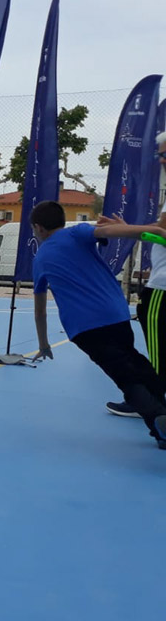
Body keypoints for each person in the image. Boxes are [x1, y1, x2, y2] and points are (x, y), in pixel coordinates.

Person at [30, 201, 166, 449]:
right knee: (135, 362)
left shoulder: (40, 259)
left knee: (125, 376)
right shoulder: (78, 232)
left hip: (85, 328)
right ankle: (161, 413)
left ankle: (159, 419)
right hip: (116, 315)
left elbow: (39, 311)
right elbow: (113, 232)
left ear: (38, 228)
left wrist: (44, 343)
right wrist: (153, 231)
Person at [107, 130, 166, 418]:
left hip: (163, 288)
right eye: (160, 155)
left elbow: (163, 233)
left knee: (156, 350)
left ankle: (153, 403)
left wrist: (127, 230)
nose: (162, 160)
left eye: (165, 154)